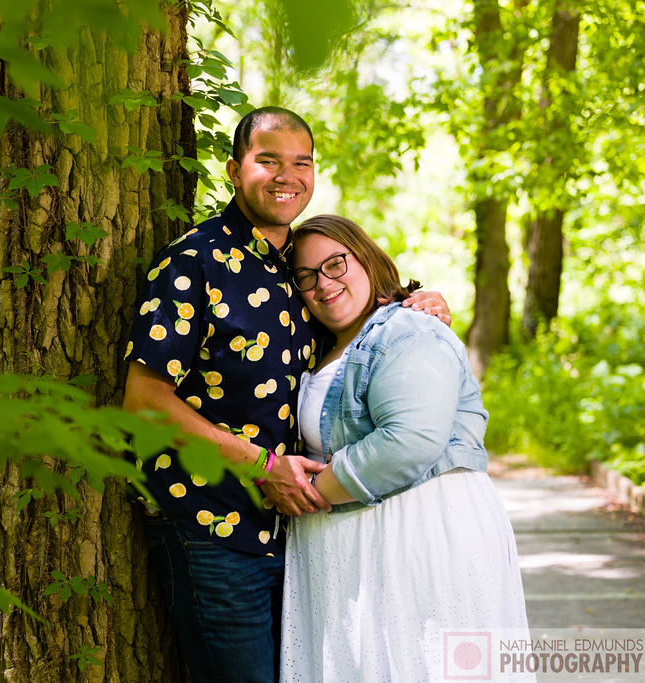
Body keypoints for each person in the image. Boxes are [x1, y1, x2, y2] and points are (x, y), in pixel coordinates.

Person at [122, 107, 451, 682]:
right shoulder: (192, 264)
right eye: (267, 160)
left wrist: (418, 302)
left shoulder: (297, 270)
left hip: (300, 538)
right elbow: (144, 402)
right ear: (233, 168)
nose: (286, 175)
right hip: (210, 526)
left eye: (301, 162)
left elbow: (354, 335)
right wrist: (262, 466)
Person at [280, 214, 529, 681]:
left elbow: (409, 441)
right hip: (350, 551)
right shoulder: (317, 348)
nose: (323, 284)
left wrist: (310, 492)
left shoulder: (411, 330)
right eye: (305, 276)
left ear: (368, 260)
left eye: (336, 264)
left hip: (415, 536)